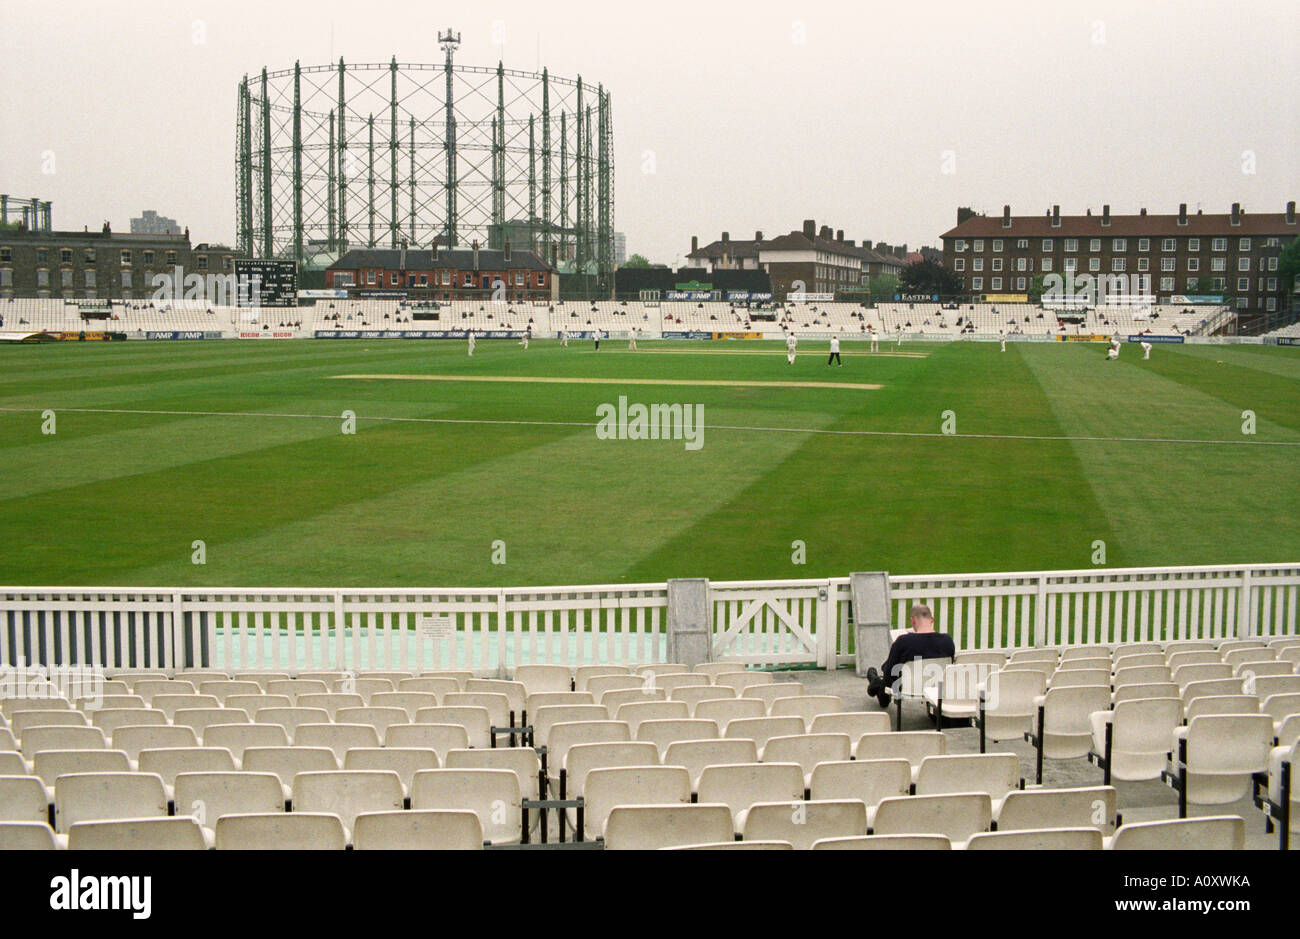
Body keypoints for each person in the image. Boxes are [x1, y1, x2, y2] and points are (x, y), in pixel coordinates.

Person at [865, 604, 956, 708]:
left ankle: (874, 683)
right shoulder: (947, 641)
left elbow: (889, 673)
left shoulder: (904, 641)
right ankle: (877, 685)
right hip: (936, 688)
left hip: (906, 688)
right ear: (932, 620)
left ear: (912, 620)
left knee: (881, 682)